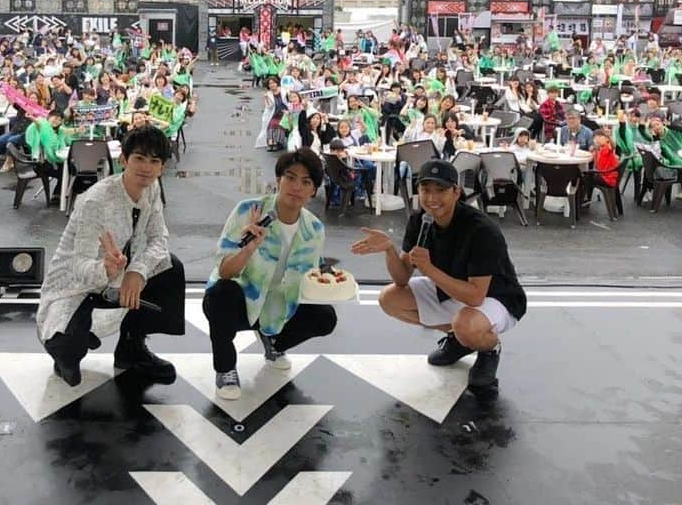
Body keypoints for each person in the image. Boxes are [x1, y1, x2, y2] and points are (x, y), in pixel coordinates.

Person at [351, 159, 526, 394]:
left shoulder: (481, 230)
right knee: (389, 298)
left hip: (495, 296)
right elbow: (402, 279)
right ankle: (459, 339)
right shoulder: (420, 221)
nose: (432, 199)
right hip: (451, 288)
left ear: (456, 192)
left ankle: (488, 347)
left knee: (467, 325)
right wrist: (389, 250)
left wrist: (429, 269)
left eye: (440, 190)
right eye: (425, 190)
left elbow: (475, 296)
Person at [36, 126, 185, 387]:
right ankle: (64, 351)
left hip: (122, 275)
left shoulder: (151, 190)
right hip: (76, 286)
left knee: (171, 268)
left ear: (162, 167)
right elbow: (78, 265)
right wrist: (105, 268)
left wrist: (137, 272)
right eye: (139, 158)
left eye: (155, 161)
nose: (146, 168)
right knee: (67, 348)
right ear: (123, 160)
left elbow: (158, 238)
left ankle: (132, 348)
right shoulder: (95, 201)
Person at [203, 148, 336, 400]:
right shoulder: (248, 211)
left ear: (313, 191)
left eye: (306, 181)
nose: (296, 186)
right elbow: (225, 271)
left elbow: (312, 270)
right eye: (290, 177)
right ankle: (226, 368)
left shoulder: (314, 228)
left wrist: (328, 276)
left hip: (279, 305)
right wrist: (249, 247)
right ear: (278, 180)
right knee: (221, 293)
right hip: (243, 301)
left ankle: (274, 342)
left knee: (325, 316)